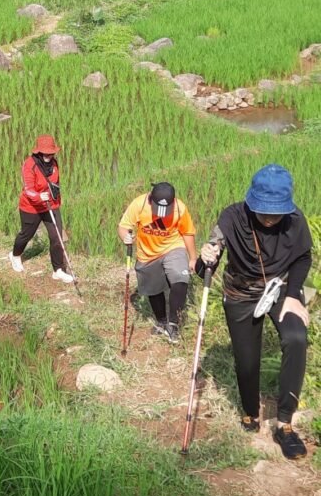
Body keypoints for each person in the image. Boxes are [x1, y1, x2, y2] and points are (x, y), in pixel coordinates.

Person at [199, 165, 312, 461]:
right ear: (252, 201)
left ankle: (285, 424)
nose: (271, 217)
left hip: (280, 288)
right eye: (265, 210)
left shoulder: (295, 221)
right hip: (241, 292)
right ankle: (250, 412)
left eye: (277, 211)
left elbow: (302, 257)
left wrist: (293, 297)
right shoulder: (232, 218)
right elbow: (208, 261)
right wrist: (206, 256)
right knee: (247, 361)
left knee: (296, 336)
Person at [118, 182, 197, 344]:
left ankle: (173, 324)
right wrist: (125, 236)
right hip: (147, 254)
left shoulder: (180, 208)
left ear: (173, 202)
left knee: (180, 278)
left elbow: (187, 232)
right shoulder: (139, 205)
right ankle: (161, 321)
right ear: (150, 199)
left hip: (173, 246)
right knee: (153, 289)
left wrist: (193, 258)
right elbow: (123, 226)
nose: (161, 215)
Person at [9, 135, 74, 284]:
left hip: (51, 205)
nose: (48, 156)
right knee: (27, 234)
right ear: (38, 152)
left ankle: (58, 270)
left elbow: (55, 185)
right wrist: (39, 196)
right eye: (45, 153)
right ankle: (15, 255)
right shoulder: (29, 164)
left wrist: (54, 200)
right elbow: (28, 189)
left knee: (57, 236)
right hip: (31, 206)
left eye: (51, 153)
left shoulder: (54, 164)